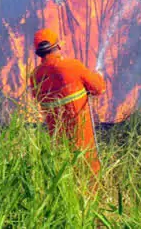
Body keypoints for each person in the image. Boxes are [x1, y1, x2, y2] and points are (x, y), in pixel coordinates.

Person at [29, 28, 106, 174]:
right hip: (82, 135)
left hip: (58, 138)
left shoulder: (35, 76)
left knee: (66, 173)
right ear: (58, 46)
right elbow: (99, 88)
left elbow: (38, 96)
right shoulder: (72, 66)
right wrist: (98, 75)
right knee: (89, 171)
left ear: (38, 53)